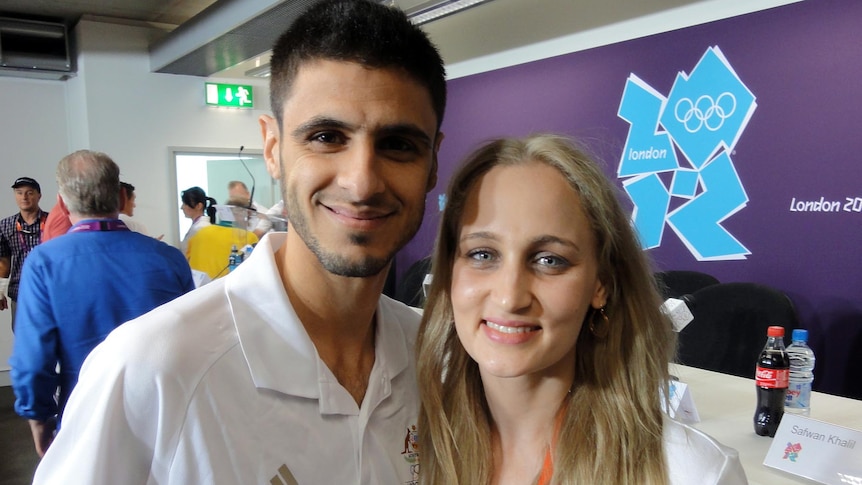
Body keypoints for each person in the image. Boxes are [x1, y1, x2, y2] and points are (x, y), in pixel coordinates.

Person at [31, 0, 446, 483]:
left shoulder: (436, 355)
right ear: (273, 149)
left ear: (433, 161)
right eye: (327, 136)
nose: (362, 182)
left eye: (398, 144)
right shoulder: (151, 368)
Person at [416, 135, 748, 484]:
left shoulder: (691, 474)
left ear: (600, 284)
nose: (509, 297)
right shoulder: (408, 440)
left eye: (549, 260)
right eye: (482, 254)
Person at [9, 149, 195, 458]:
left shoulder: (44, 263)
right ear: (122, 197)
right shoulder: (169, 258)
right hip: (165, 417)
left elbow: (33, 361)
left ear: (63, 203)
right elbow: (193, 342)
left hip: (85, 416)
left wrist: (40, 421)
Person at [0, 176, 48, 331]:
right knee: (23, 339)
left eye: (29, 192)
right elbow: (3, 261)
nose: (24, 197)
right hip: (19, 293)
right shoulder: (5, 225)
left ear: (38, 195)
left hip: (49, 292)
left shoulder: (52, 222)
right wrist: (0, 290)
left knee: (53, 340)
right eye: (19, 193)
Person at [186, 198, 260, 280]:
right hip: (224, 290)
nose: (249, 222)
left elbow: (188, 260)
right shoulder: (249, 238)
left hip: (196, 290)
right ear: (241, 215)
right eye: (249, 218)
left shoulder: (200, 233)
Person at [179, 185, 216, 255]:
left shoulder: (201, 228)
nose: (182, 207)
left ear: (199, 206)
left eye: (185, 204)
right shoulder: (198, 226)